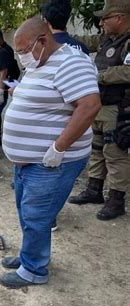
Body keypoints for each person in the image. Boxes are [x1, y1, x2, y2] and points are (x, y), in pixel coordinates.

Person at [0, 17, 102, 288]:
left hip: (52, 162)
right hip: (30, 162)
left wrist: (59, 148)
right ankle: (29, 256)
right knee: (27, 212)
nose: (21, 57)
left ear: (42, 41)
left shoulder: (72, 63)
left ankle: (33, 270)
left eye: (23, 51)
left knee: (36, 215)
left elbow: (89, 106)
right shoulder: (41, 61)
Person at [68, 0, 130, 220]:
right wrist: (59, 35)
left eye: (106, 18)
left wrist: (99, 76)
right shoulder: (107, 39)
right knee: (96, 149)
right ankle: (94, 190)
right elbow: (85, 42)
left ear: (120, 18)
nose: (101, 22)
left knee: (115, 154)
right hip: (100, 105)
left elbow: (127, 72)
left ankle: (116, 200)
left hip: (118, 107)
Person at [0, 29, 20, 160]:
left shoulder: (3, 52)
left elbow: (3, 72)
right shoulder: (6, 50)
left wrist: (0, 91)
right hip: (6, 86)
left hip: (2, 88)